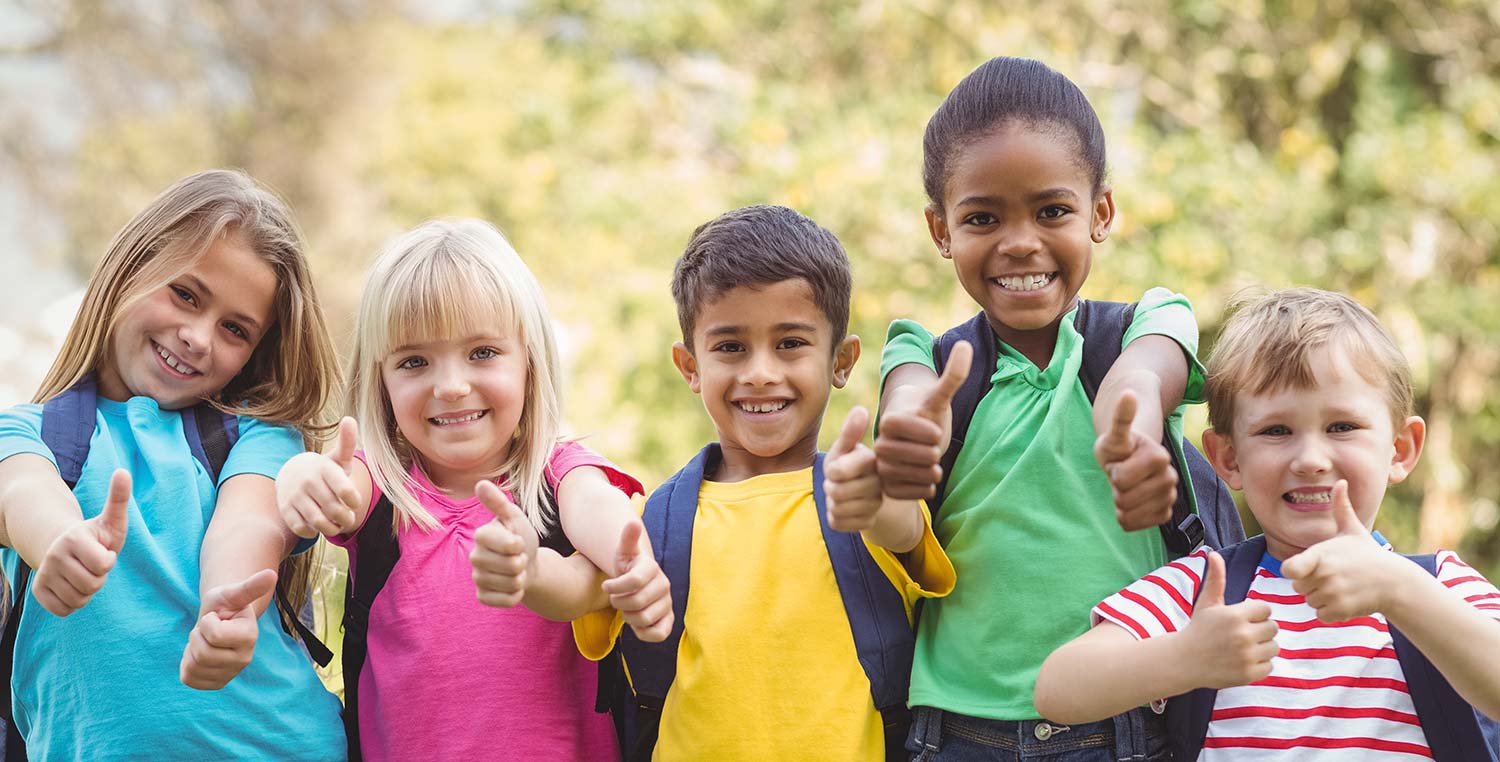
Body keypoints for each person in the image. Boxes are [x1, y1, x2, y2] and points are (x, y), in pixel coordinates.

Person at [875, 56, 1210, 759]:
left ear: (1101, 213)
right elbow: (906, 408)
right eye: (982, 217)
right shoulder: (925, 361)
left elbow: (1142, 381)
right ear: (941, 231)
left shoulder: (1148, 324)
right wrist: (905, 436)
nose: (1020, 241)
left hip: (1124, 729)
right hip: (955, 733)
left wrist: (1133, 436)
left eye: (1052, 210)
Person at [1036, 288, 1500, 760]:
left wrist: (1398, 589)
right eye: (1276, 431)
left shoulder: (1439, 585)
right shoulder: (1203, 589)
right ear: (1229, 459)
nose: (1312, 460)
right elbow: (1057, 689)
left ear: (1400, 449)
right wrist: (1183, 658)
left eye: (1342, 427)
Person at [275, 218, 671, 762]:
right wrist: (301, 479)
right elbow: (334, 488)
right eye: (414, 361)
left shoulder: (560, 475)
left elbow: (601, 515)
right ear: (381, 382)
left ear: (529, 362)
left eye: (482, 352)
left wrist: (634, 565)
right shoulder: (383, 490)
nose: (452, 385)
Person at [0, 169, 346, 760]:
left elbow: (250, 523)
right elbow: (22, 493)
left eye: (235, 329)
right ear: (130, 267)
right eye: (186, 294)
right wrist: (60, 543)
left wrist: (227, 604)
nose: (198, 337)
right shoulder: (29, 434)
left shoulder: (260, 436)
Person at [608, 204, 954, 762]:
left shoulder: (862, 496)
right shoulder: (654, 522)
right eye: (730, 347)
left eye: (790, 342)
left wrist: (873, 498)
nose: (761, 371)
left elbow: (904, 527)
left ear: (841, 362)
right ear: (689, 366)